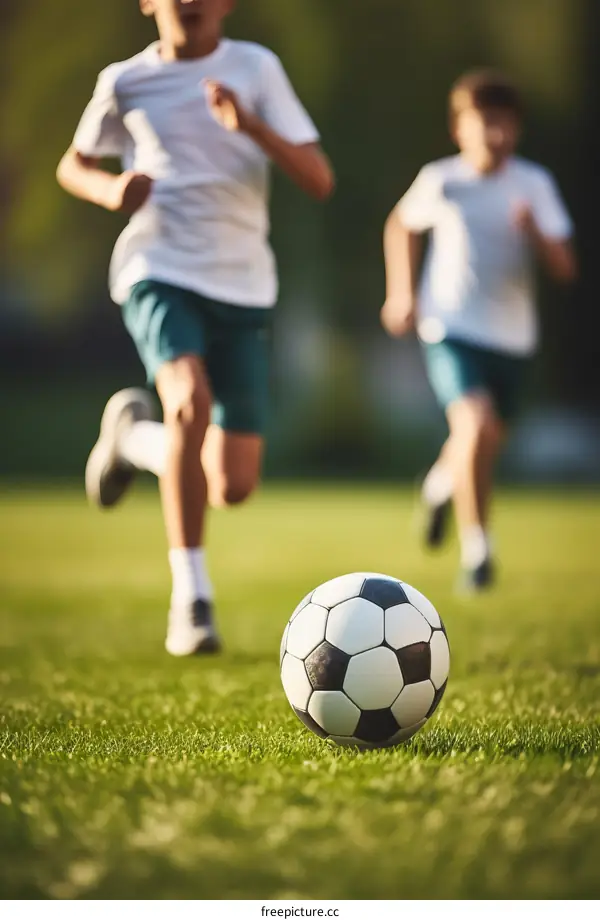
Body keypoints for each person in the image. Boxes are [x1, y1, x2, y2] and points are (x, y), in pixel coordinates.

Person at [57, 0, 334, 654]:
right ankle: (192, 600)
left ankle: (132, 442)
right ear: (147, 3)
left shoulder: (256, 69)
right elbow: (74, 164)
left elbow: (318, 178)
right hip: (159, 267)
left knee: (230, 486)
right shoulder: (125, 80)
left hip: (242, 285)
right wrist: (109, 191)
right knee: (189, 402)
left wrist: (251, 126)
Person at [381, 69, 577, 591]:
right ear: (459, 128)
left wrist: (535, 232)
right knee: (474, 425)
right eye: (486, 121)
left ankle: (439, 485)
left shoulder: (534, 185)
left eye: (506, 123)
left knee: (485, 440)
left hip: (513, 339)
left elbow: (564, 267)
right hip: (450, 327)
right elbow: (400, 226)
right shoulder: (442, 180)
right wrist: (401, 292)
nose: (496, 134)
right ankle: (479, 554)